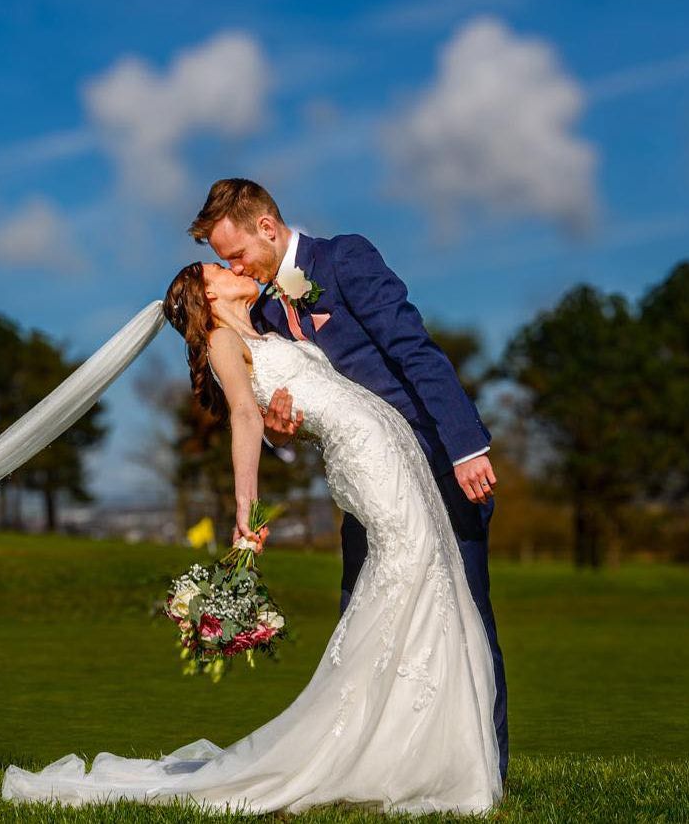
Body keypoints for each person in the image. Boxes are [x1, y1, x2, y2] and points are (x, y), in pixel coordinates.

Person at [0, 262, 500, 814]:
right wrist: (247, 509)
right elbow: (244, 414)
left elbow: (294, 406)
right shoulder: (221, 340)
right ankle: (383, 753)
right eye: (220, 267)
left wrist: (293, 417)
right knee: (408, 571)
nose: (235, 267)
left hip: (389, 445)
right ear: (208, 293)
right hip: (366, 457)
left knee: (428, 574)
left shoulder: (267, 329)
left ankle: (418, 749)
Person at [196, 178, 508, 780]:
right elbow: (291, 415)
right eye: (220, 261)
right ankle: (359, 770)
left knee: (466, 617)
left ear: (266, 226)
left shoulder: (344, 258)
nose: (230, 266)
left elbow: (414, 350)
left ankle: (485, 770)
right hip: (368, 489)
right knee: (362, 622)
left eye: (234, 255)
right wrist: (281, 435)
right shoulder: (254, 316)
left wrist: (466, 446)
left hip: (438, 464)